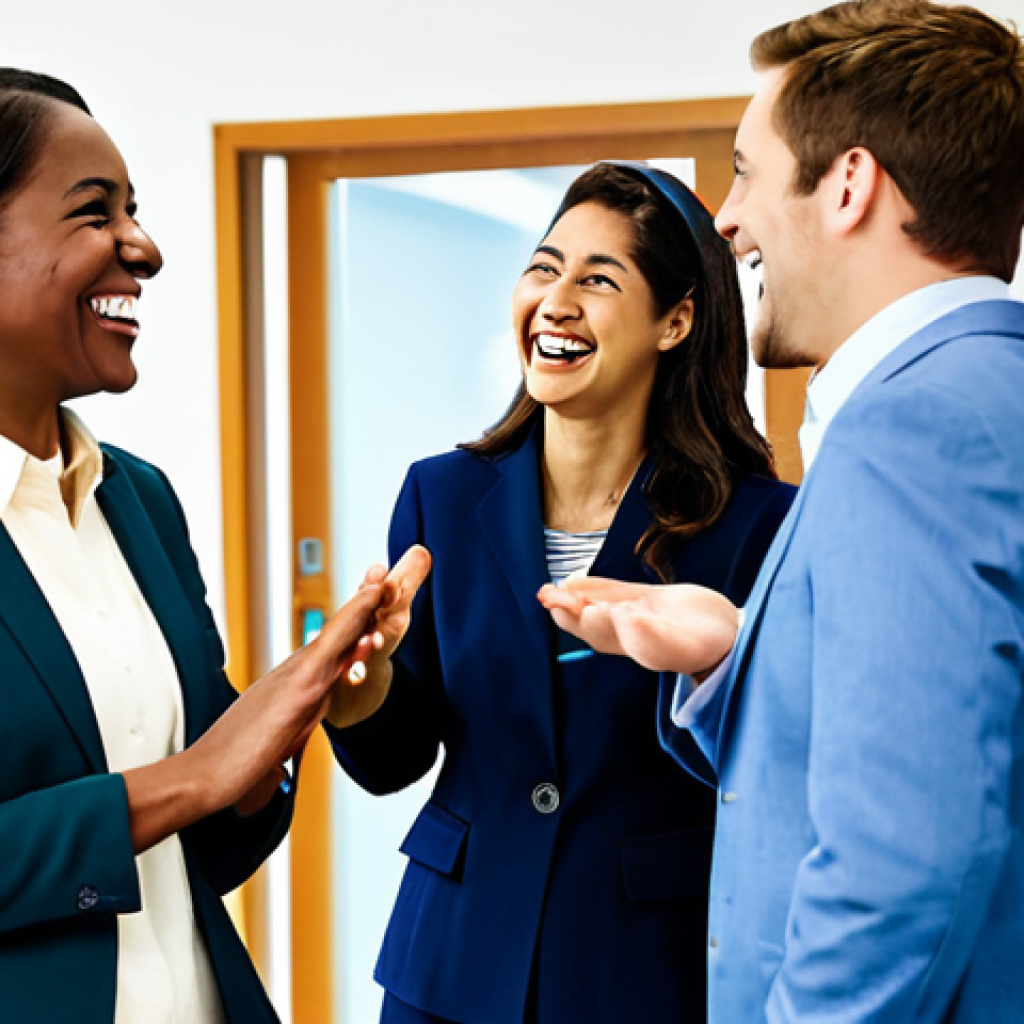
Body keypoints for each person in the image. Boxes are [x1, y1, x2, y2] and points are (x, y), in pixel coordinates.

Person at [540, 3, 1024, 1021]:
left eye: (748, 172)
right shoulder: (989, 392)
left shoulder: (912, 429)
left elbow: (903, 862)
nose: (725, 217)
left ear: (848, 185)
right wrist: (736, 659)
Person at [0, 68, 429, 1024]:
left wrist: (290, 714)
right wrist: (192, 776)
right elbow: (186, 783)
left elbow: (210, 844)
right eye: (92, 213)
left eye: (135, 212)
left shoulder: (138, 501)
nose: (142, 249)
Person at [324, 161, 795, 1023]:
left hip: (645, 968)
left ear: (677, 319)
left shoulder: (761, 525)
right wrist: (361, 686)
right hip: (451, 965)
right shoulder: (442, 497)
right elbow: (397, 756)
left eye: (598, 279)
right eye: (544, 267)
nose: (557, 300)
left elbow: (776, 764)